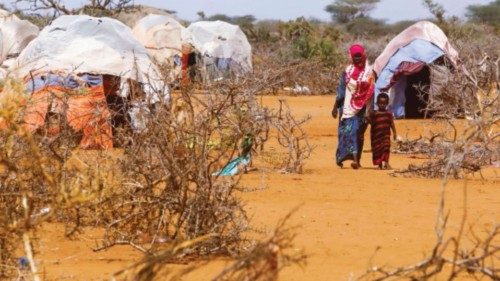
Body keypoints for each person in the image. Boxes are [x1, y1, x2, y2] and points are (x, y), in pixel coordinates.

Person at [332, 44, 375, 169]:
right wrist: (335, 107)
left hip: (363, 109)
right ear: (351, 57)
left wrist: (369, 111)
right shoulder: (347, 72)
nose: (357, 59)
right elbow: (341, 90)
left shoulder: (369, 72)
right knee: (345, 133)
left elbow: (372, 91)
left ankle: (357, 160)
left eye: (359, 56)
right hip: (346, 108)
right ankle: (340, 158)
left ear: (363, 56)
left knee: (358, 134)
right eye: (355, 56)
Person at [369, 93, 397, 169]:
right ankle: (379, 164)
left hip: (386, 136)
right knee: (377, 150)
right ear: (377, 103)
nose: (382, 105)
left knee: (386, 148)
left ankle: (387, 163)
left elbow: (391, 123)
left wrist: (394, 133)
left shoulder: (389, 114)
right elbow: (370, 122)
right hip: (376, 136)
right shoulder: (374, 114)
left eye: (384, 103)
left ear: (387, 103)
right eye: (380, 103)